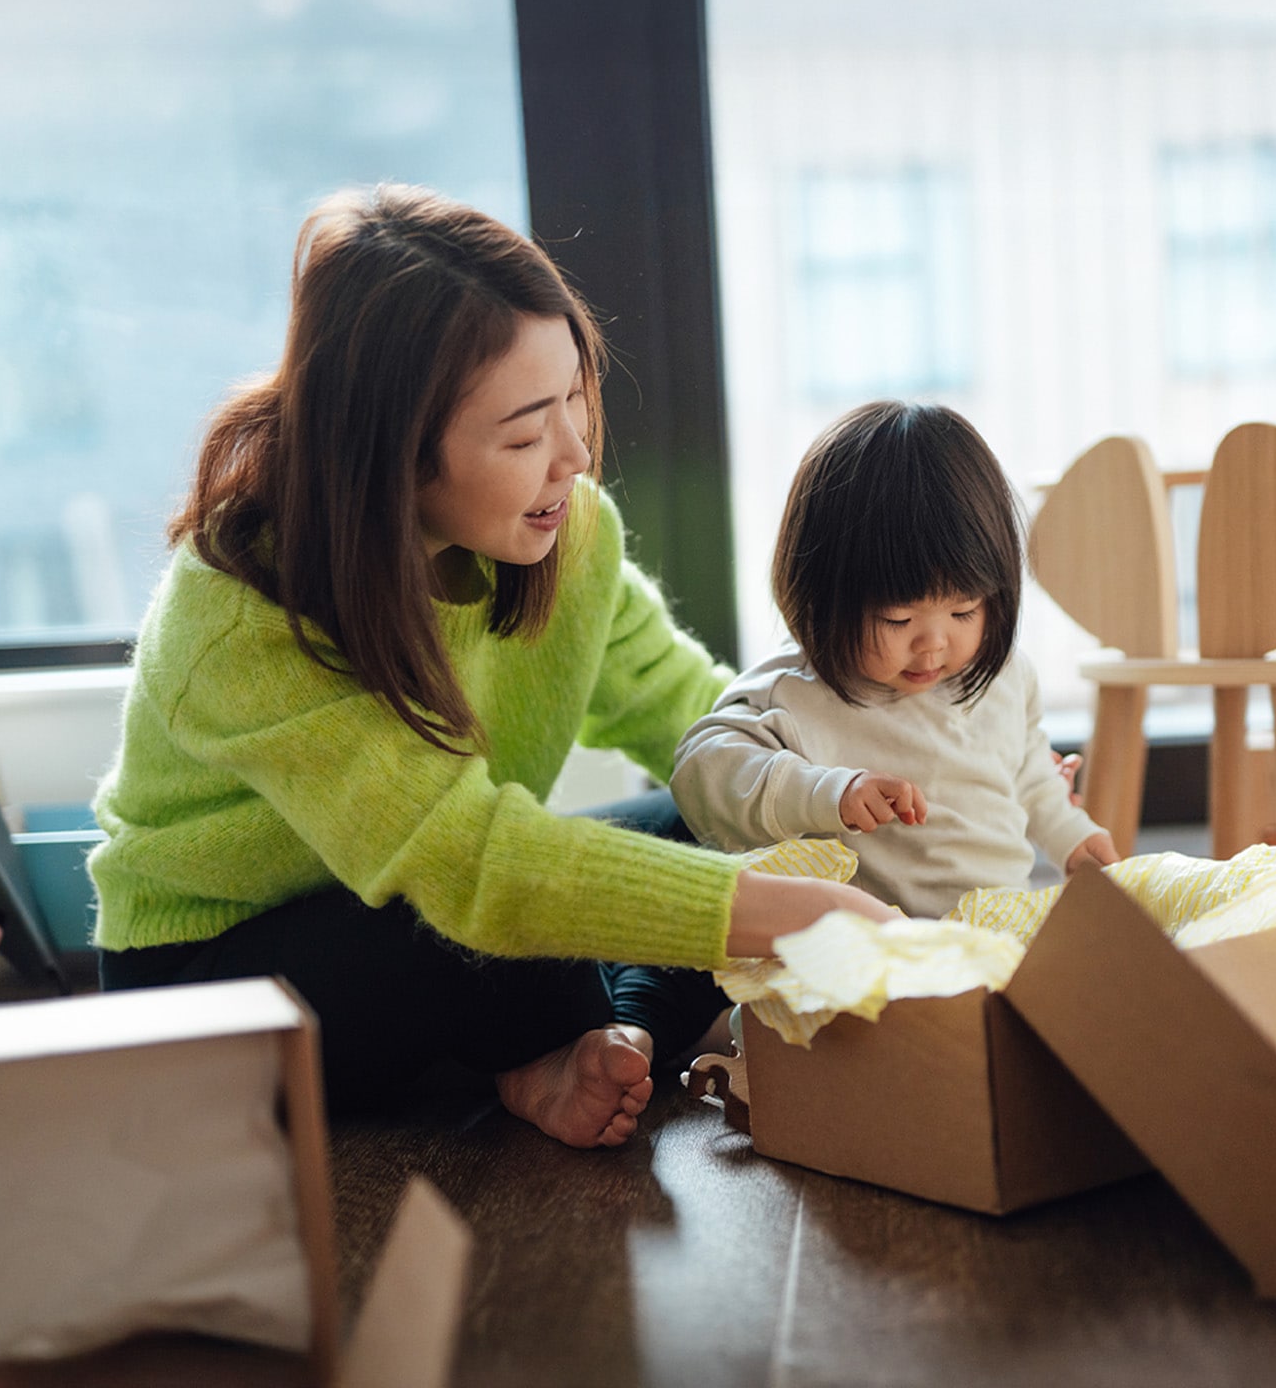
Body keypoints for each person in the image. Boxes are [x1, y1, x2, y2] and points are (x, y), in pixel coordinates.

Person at [89, 183, 890, 1148]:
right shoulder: (242, 611)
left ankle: (606, 1034)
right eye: (522, 433)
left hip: (445, 899)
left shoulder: (565, 533)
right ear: (393, 457)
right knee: (481, 914)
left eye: (574, 404)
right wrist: (795, 915)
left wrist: (863, 791)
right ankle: (559, 1032)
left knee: (722, 810)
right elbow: (469, 863)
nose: (576, 456)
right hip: (214, 988)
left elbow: (697, 719)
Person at [671, 400, 1119, 919]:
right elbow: (701, 773)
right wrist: (828, 792)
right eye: (898, 621)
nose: (933, 644)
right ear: (820, 597)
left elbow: (1029, 775)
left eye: (963, 609)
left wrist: (1071, 837)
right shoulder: (793, 694)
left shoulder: (1004, 677)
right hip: (875, 952)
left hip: (998, 928)